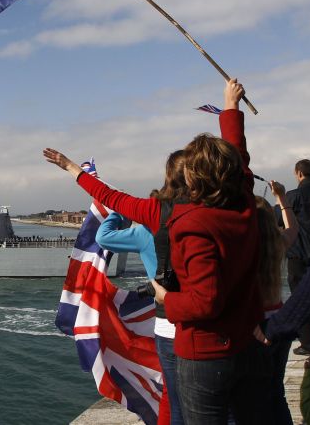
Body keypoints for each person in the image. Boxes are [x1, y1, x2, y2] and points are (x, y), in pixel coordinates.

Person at [44, 79, 268, 424]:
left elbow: (112, 199)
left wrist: (165, 297)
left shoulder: (177, 216)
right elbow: (238, 155)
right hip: (245, 336)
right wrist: (230, 108)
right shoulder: (242, 203)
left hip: (196, 340)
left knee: (176, 407)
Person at [95, 152, 187, 425]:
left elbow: (103, 236)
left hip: (165, 314)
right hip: (199, 309)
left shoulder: (144, 232)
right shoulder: (196, 216)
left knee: (172, 391)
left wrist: (118, 216)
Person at [254, 182, 299, 424]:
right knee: (276, 391)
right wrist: (282, 198)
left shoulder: (245, 248)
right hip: (279, 321)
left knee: (253, 394)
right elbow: (293, 228)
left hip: (255, 327)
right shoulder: (278, 242)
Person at [284, 159, 310, 355]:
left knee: (301, 298)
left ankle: (307, 344)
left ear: (298, 173)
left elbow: (279, 218)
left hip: (298, 257)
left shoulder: (293, 196)